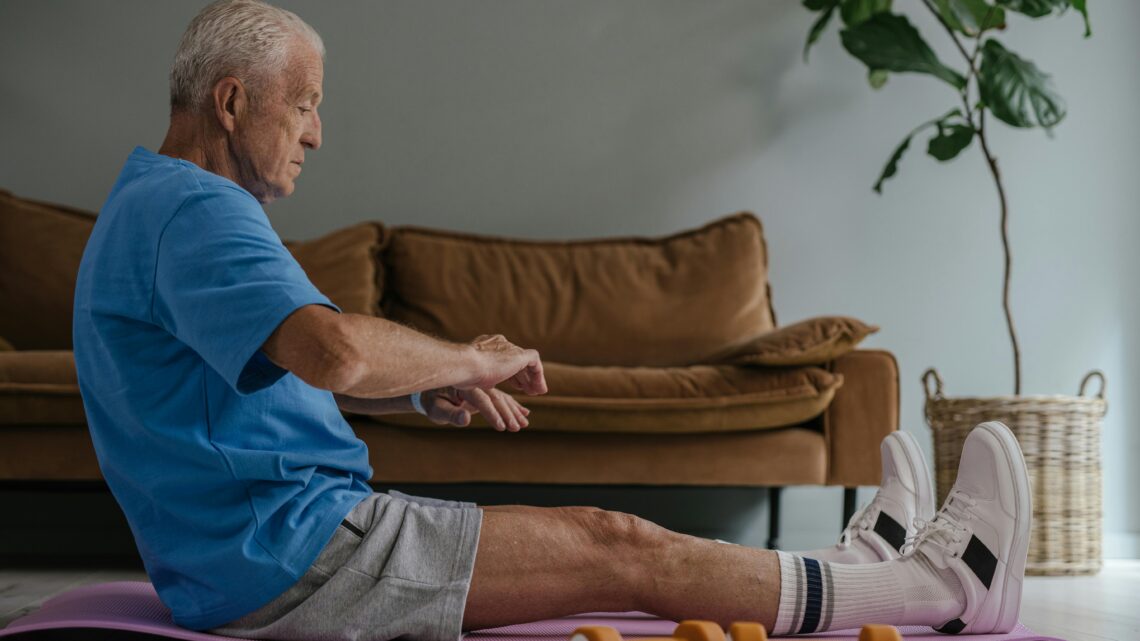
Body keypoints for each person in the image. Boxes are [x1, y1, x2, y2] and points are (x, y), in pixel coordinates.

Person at [72, 1, 1032, 639]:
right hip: (297, 557)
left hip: (257, 553)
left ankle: (851, 565)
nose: (318, 131)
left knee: (621, 539)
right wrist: (467, 359)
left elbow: (251, 390)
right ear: (232, 102)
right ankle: (949, 589)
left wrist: (422, 391)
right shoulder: (195, 210)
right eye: (306, 105)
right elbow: (332, 349)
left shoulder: (150, 204)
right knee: (620, 542)